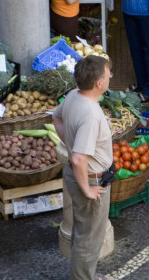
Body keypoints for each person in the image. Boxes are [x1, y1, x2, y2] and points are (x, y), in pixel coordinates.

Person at [52, 56, 113, 280]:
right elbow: (79, 159)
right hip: (91, 179)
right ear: (98, 83)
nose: (110, 78)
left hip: (77, 175)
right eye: (108, 75)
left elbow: (56, 119)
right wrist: (87, 189)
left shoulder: (72, 96)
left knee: (82, 232)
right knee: (90, 240)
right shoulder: (90, 114)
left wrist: (70, 141)